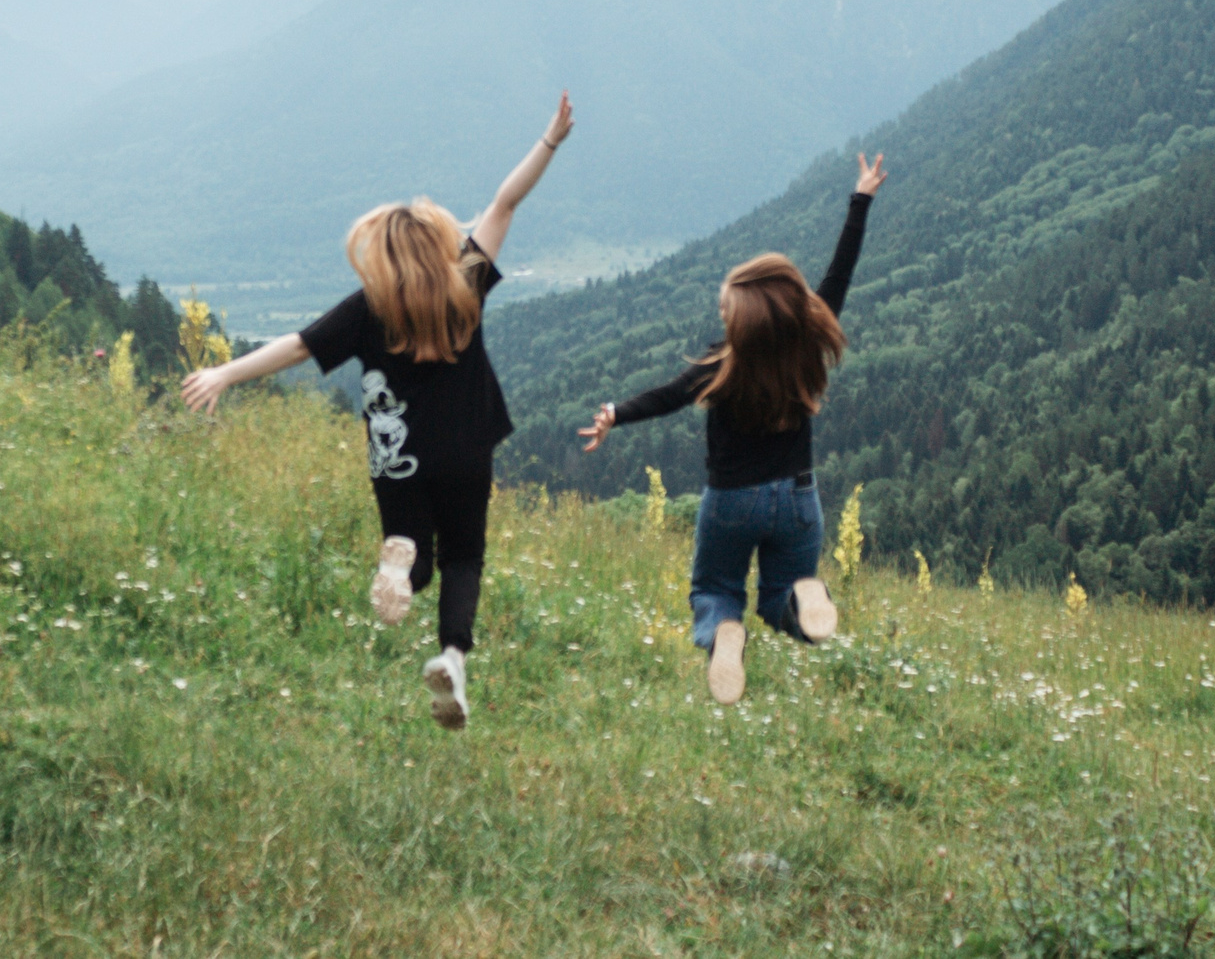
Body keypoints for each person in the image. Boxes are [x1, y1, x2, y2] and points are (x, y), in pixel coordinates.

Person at [181, 93, 575, 730]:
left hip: (399, 459)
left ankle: (400, 561)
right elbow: (505, 202)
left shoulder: (370, 306)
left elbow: (297, 346)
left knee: (415, 557)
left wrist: (225, 371)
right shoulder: (466, 281)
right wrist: (549, 141)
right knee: (465, 556)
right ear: (437, 245)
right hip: (466, 451)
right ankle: (452, 657)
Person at [577, 151, 884, 704]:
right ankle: (802, 597)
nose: (722, 317)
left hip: (731, 503)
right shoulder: (805, 346)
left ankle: (722, 634)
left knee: (716, 591)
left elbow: (667, 396)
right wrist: (859, 202)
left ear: (742, 322)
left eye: (727, 313)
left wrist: (615, 415)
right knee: (776, 600)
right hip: (797, 499)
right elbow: (839, 276)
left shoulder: (721, 365)